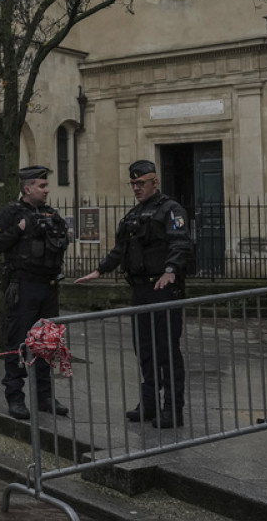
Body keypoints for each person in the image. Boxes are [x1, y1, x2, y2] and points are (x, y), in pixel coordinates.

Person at [76, 160, 195, 429]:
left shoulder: (171, 210)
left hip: (164, 288)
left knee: (166, 350)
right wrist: (100, 270)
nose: (136, 188)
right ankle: (149, 403)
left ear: (155, 181)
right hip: (141, 289)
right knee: (145, 350)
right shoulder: (133, 214)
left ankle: (172, 408)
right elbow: (121, 249)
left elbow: (181, 243)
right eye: (133, 183)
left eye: (141, 183)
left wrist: (171, 269)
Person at [0, 165, 71, 421]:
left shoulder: (50, 214)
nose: (47, 191)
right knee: (19, 344)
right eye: (42, 186)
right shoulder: (10, 214)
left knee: (47, 343)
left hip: (48, 287)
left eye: (46, 186)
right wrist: (19, 230)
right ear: (27, 188)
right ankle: (15, 396)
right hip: (23, 287)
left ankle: (45, 397)